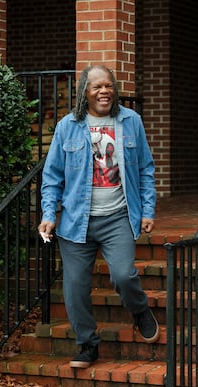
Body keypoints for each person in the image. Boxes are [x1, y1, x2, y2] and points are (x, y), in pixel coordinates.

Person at [38, 65, 158, 369]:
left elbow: (146, 169)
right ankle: (87, 345)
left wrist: (147, 210)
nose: (104, 91)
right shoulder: (68, 126)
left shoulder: (131, 121)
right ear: (85, 93)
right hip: (76, 221)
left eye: (108, 86)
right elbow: (52, 176)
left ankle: (140, 310)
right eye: (96, 87)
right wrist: (49, 214)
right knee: (75, 288)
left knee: (123, 275)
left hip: (118, 216)